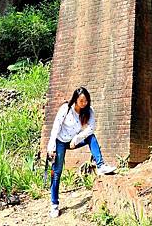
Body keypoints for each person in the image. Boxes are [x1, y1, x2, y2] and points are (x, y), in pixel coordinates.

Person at [47, 86, 116, 218]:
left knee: (91, 137)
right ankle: (54, 205)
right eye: (81, 101)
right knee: (56, 172)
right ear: (75, 100)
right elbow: (56, 127)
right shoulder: (66, 109)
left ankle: (101, 165)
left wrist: (77, 138)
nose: (84, 104)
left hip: (74, 141)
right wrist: (51, 146)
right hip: (60, 141)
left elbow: (91, 128)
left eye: (86, 101)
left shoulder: (89, 111)